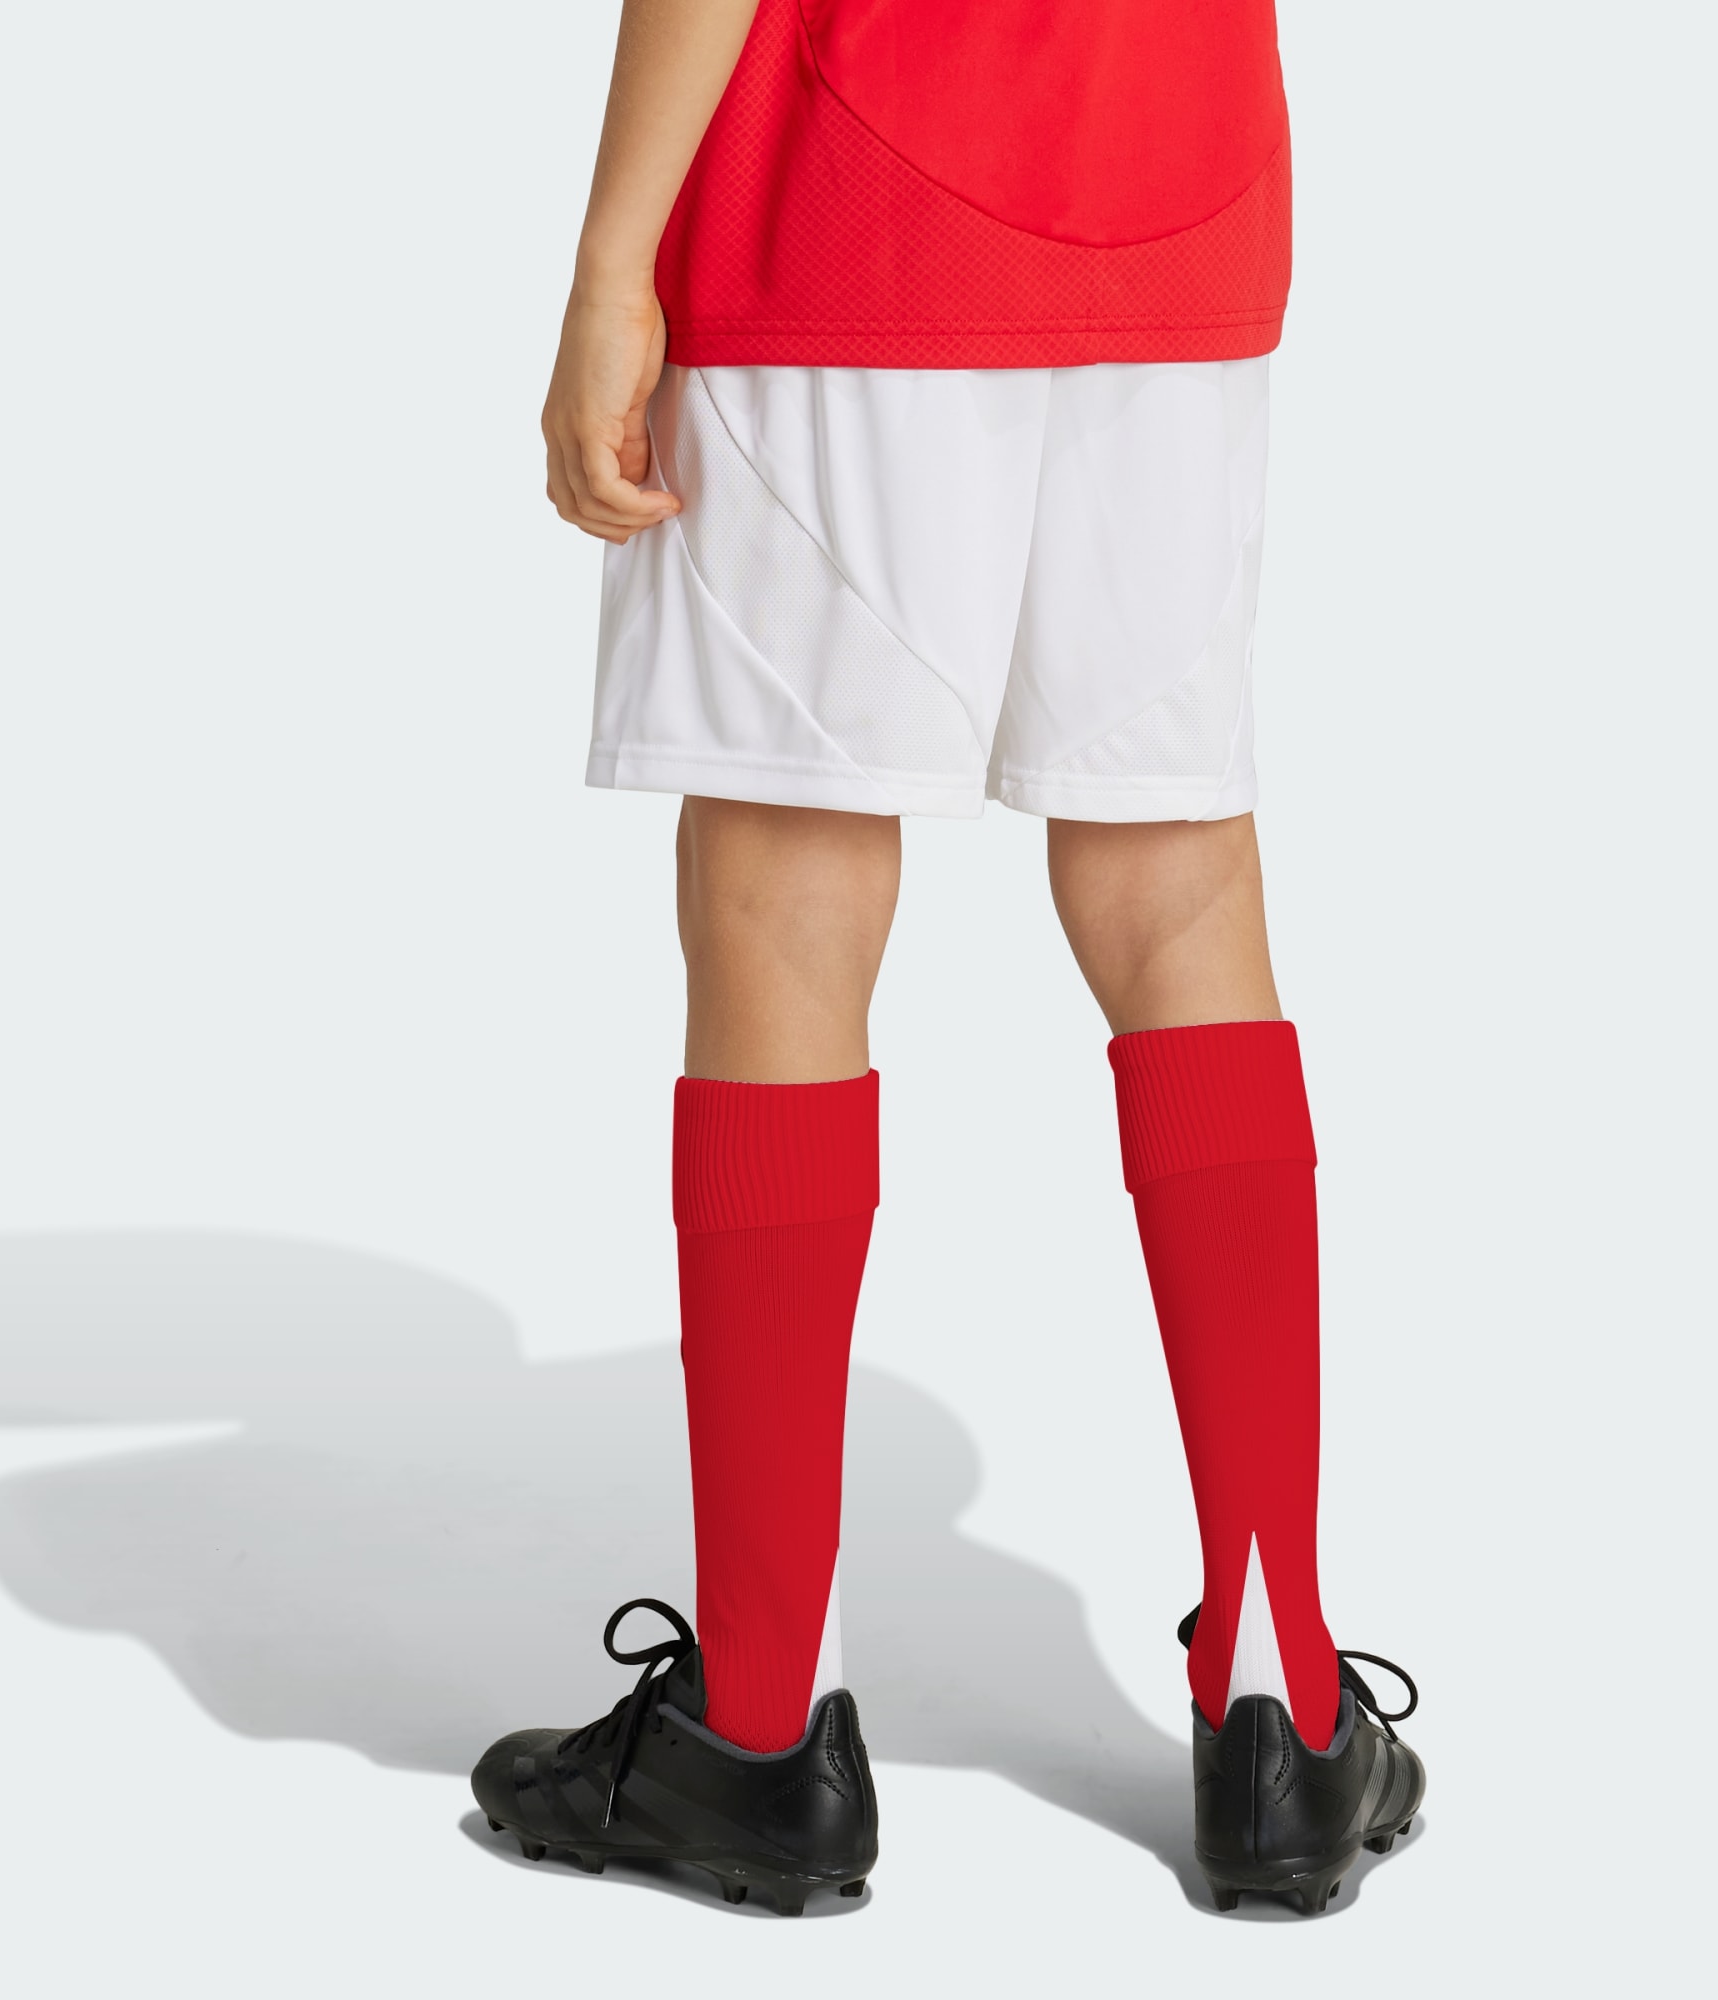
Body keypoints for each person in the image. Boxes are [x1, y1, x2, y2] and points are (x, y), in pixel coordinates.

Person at [471, 0, 1425, 1916]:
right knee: (1181, 891)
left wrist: (609, 259)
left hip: (857, 191)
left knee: (783, 884)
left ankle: (759, 1730)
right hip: (1181, 195)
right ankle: (1287, 1707)